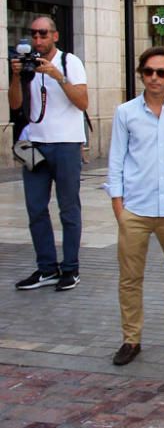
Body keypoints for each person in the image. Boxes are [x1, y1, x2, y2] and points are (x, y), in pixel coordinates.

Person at [106, 46, 164, 366]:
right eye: (148, 72)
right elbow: (115, 159)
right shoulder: (126, 112)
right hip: (136, 209)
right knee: (130, 278)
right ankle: (131, 338)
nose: (154, 78)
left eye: (162, 72)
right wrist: (119, 208)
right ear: (141, 74)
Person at [10, 16, 89, 292]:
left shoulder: (70, 62)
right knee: (35, 209)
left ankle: (70, 268)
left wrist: (57, 76)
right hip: (35, 144)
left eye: (43, 34)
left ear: (55, 36)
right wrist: (17, 76)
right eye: (33, 34)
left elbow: (82, 102)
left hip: (66, 144)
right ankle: (46, 269)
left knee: (68, 209)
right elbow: (15, 105)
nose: (38, 39)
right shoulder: (28, 66)